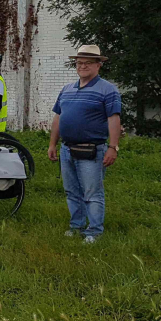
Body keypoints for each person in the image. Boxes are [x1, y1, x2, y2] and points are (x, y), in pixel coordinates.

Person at [48, 45, 121, 244]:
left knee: (92, 192)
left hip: (92, 149)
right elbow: (58, 118)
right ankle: (76, 226)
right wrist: (52, 144)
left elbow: (113, 119)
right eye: (79, 63)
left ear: (99, 65)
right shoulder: (67, 89)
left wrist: (113, 147)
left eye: (88, 63)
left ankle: (94, 231)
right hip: (66, 148)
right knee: (72, 191)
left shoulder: (108, 90)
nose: (83, 66)